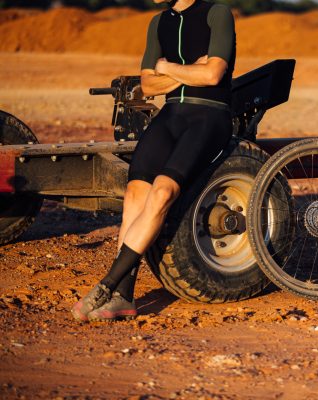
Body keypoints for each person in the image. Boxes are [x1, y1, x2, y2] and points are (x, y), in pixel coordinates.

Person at [71, 0, 236, 322]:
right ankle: (125, 297)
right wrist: (185, 71)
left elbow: (213, 74)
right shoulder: (158, 22)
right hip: (170, 116)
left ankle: (108, 285)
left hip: (209, 117)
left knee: (162, 192)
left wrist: (166, 68)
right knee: (135, 194)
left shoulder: (217, 12)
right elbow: (147, 85)